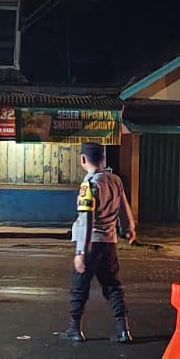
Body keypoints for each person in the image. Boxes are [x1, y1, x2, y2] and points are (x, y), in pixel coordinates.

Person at [61, 142, 136, 343]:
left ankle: (74, 330)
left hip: (91, 243)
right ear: (103, 158)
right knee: (112, 286)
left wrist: (81, 252)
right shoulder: (115, 180)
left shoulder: (89, 185)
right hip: (109, 243)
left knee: (79, 287)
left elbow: (87, 220)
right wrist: (129, 228)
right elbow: (124, 207)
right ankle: (123, 330)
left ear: (83, 159)